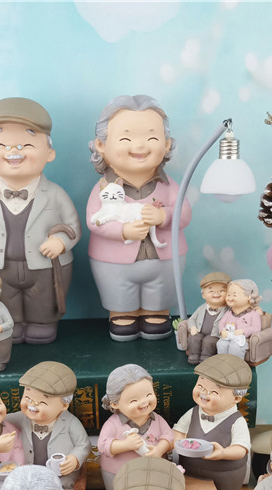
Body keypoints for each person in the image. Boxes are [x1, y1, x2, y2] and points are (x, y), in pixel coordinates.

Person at [0, 97, 81, 345]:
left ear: (49, 153)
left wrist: (60, 242)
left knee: (43, 300)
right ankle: (11, 326)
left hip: (46, 267)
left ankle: (42, 324)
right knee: (6, 299)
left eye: (26, 145)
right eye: (1, 145)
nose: (13, 152)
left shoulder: (55, 194)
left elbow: (73, 226)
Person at [87, 94, 191, 341]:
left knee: (159, 294)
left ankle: (157, 313)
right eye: (126, 139)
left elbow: (185, 213)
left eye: (152, 138)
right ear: (101, 145)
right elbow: (94, 219)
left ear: (167, 144)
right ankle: (121, 314)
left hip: (164, 259)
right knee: (119, 293)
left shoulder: (170, 186)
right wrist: (122, 231)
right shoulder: (103, 189)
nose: (140, 146)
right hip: (112, 262)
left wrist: (163, 215)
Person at [173, 354, 253, 490]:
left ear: (236, 398)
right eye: (200, 386)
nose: (204, 394)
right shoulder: (193, 412)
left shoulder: (237, 421)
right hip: (190, 469)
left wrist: (223, 453)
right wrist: (178, 442)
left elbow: (241, 449)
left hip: (225, 474)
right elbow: (178, 430)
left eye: (213, 392)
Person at [7, 361, 90, 490]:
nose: (32, 406)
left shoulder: (70, 422)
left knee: (61, 488)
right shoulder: (21, 418)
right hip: (29, 472)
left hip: (60, 474)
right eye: (27, 398)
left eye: (41, 402)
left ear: (64, 405)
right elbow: (2, 420)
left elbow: (83, 444)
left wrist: (74, 459)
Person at [97, 364, 174, 490]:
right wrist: (125, 445)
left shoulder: (157, 419)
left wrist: (159, 450)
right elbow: (102, 446)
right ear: (114, 404)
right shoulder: (113, 424)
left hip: (155, 470)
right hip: (119, 472)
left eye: (149, 395)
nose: (144, 402)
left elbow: (169, 437)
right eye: (133, 400)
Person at [185, 271, 230, 365]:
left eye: (221, 291)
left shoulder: (228, 310)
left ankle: (206, 358)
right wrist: (192, 327)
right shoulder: (201, 308)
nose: (216, 293)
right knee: (193, 338)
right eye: (211, 291)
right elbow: (192, 319)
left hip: (215, 335)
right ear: (203, 295)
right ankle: (193, 355)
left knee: (209, 341)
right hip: (200, 332)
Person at [216, 279, 263, 359]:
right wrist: (222, 331)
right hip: (228, 337)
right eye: (228, 295)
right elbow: (221, 323)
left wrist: (243, 331)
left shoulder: (253, 314)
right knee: (221, 344)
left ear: (248, 297)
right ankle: (223, 363)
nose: (230, 298)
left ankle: (235, 364)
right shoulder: (229, 312)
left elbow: (256, 328)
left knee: (235, 347)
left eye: (234, 295)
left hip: (242, 340)